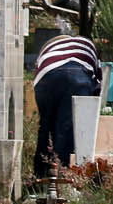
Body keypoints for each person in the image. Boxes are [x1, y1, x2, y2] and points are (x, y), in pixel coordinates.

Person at [33, 32, 101, 177]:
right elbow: (97, 90)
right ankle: (64, 176)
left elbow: (37, 70)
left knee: (45, 127)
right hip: (79, 75)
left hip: (47, 74)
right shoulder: (87, 46)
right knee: (71, 128)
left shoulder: (49, 50)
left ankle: (40, 176)